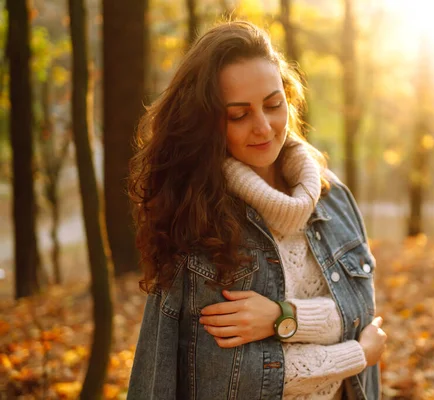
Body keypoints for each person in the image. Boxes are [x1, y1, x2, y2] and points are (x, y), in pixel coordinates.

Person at [127, 21, 387, 400]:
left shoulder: (334, 198)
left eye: (273, 104)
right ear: (208, 123)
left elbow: (362, 314)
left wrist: (282, 318)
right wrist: (356, 354)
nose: (263, 127)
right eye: (239, 115)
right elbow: (235, 379)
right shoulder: (197, 219)